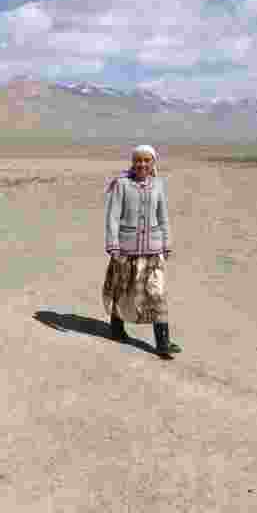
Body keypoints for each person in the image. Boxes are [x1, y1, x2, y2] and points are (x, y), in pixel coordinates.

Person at [102, 145, 181, 359]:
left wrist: (167, 243)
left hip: (153, 250)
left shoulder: (158, 184)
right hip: (126, 249)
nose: (142, 164)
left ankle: (162, 343)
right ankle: (117, 329)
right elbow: (112, 216)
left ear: (153, 162)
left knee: (157, 294)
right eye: (138, 160)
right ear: (133, 162)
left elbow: (163, 216)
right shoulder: (122, 184)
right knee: (122, 290)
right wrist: (113, 245)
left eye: (147, 160)